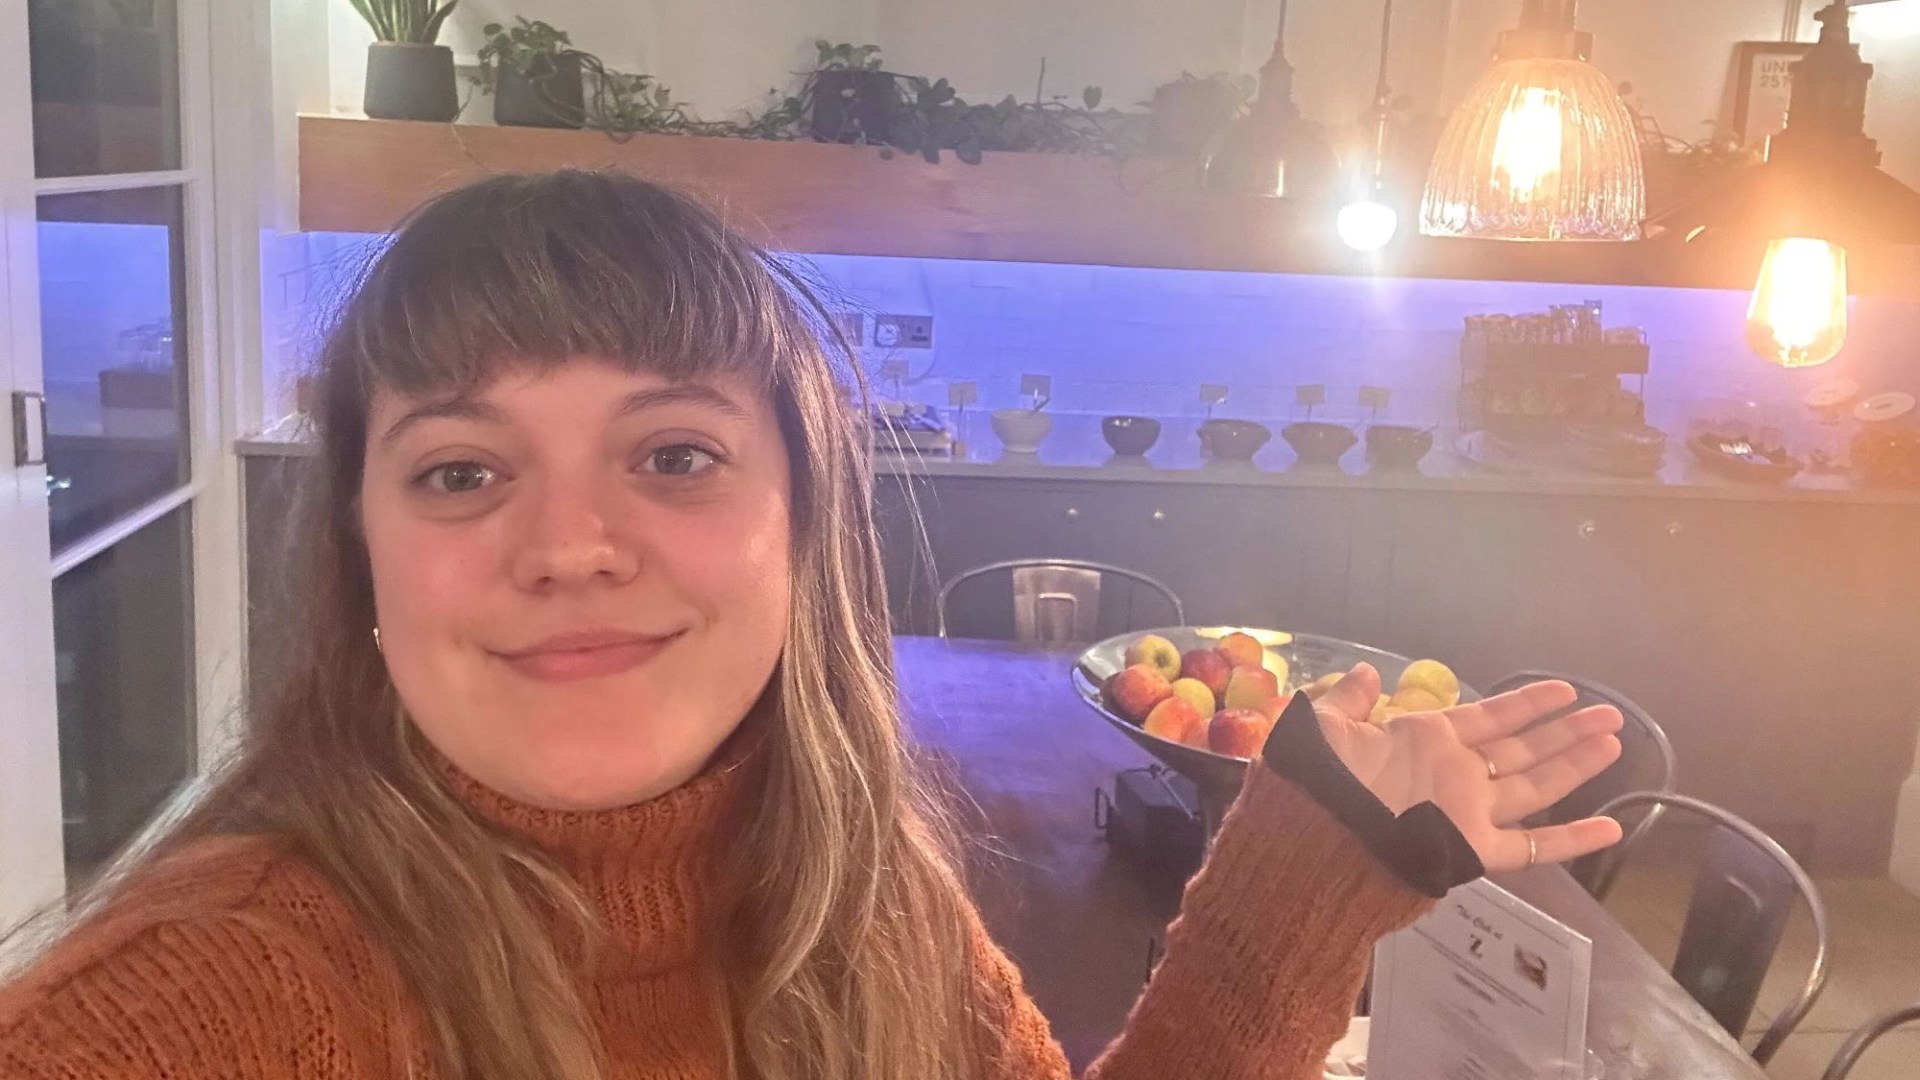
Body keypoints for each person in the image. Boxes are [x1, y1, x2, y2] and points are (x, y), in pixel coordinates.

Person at [0, 171, 1624, 1079]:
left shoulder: (857, 901)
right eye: (462, 471)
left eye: (674, 455)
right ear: (362, 556)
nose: (569, 545)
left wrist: (1302, 885)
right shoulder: (210, 1004)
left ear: (804, 527)